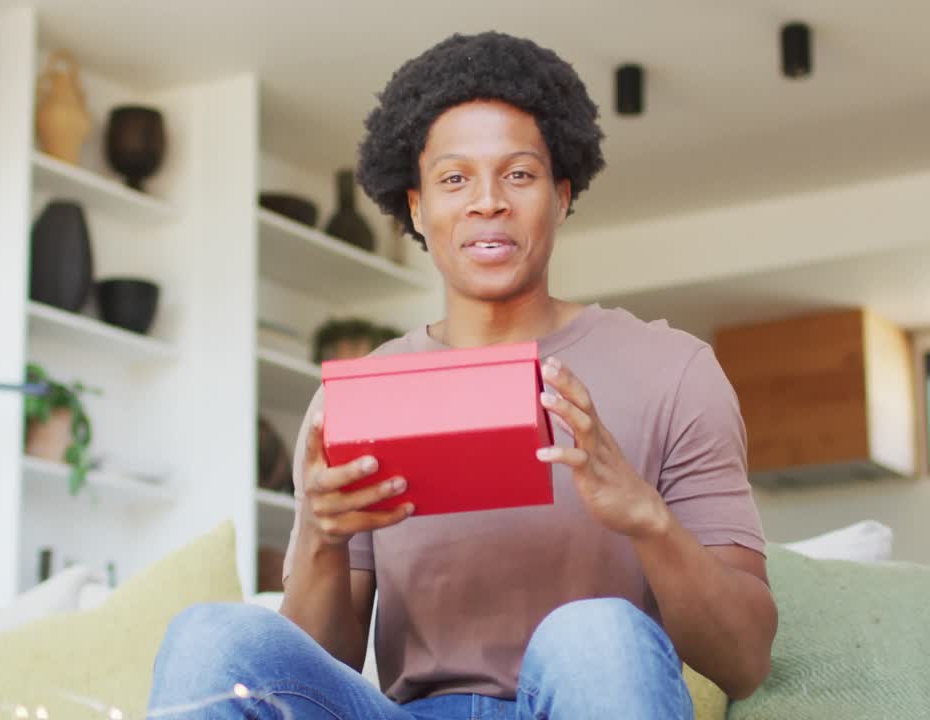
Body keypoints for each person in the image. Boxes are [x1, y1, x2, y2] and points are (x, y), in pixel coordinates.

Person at [148, 31, 777, 719]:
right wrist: (322, 537)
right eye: (454, 178)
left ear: (561, 195)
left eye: (519, 174)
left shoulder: (673, 372)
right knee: (205, 637)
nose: (487, 202)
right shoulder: (358, 397)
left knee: (593, 630)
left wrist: (646, 518)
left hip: (586, 696)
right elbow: (314, 677)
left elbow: (743, 661)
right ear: (417, 208)